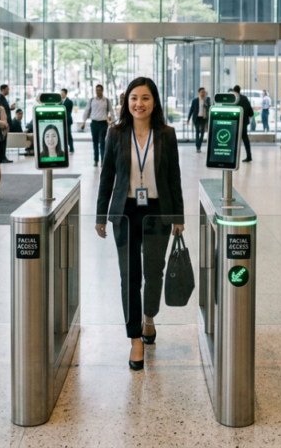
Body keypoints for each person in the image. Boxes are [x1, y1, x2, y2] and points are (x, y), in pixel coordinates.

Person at [94, 76, 185, 372]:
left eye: (145, 98)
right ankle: (135, 338)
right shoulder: (116, 133)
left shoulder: (166, 134)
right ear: (126, 101)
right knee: (129, 277)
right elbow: (107, 176)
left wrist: (179, 217)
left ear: (154, 101)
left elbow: (173, 178)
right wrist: (100, 215)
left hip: (157, 211)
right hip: (125, 212)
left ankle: (149, 318)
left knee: (154, 273)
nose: (139, 103)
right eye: (134, 98)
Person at [81, 84, 114, 167]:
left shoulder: (106, 100)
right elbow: (86, 110)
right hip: (94, 123)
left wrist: (113, 122)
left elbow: (111, 111)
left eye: (99, 90)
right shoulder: (92, 100)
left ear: (102, 91)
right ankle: (96, 160)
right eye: (97, 90)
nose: (98, 92)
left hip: (103, 123)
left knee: (102, 142)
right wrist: (83, 122)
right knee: (95, 142)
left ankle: (103, 160)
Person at [186, 87, 211, 153]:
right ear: (199, 93)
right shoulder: (195, 100)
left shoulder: (207, 100)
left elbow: (209, 109)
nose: (203, 93)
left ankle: (199, 145)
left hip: (203, 118)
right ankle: (198, 147)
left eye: (204, 92)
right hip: (197, 118)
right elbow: (191, 110)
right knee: (197, 132)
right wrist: (188, 119)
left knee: (202, 133)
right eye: (202, 92)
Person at [233, 85, 254, 162]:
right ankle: (249, 156)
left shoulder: (232, 98)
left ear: (233, 90)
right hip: (244, 122)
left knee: (233, 139)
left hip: (235, 122)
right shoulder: (244, 98)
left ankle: (233, 156)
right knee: (245, 139)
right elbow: (251, 112)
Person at [60, 88, 75, 152]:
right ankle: (64, 148)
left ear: (65, 94)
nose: (61, 95)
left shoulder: (69, 102)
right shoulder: (59, 102)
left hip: (68, 120)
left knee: (68, 134)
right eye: (61, 93)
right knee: (62, 134)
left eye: (63, 93)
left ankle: (71, 147)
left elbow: (69, 112)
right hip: (61, 121)